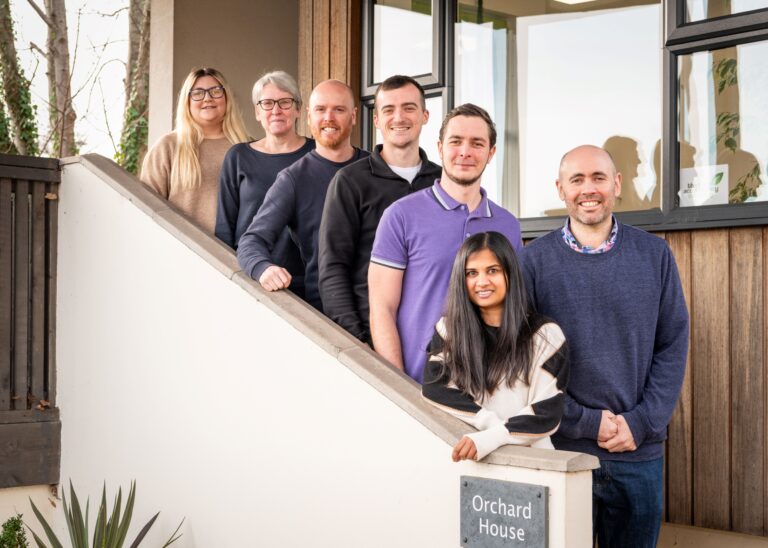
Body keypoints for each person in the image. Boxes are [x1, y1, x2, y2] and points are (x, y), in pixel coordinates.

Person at [520, 145, 689, 548]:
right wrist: (584, 422)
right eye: (576, 180)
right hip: (562, 450)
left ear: (616, 184)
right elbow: (522, 360)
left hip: (638, 452)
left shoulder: (655, 255)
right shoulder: (532, 262)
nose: (588, 189)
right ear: (560, 189)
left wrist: (642, 422)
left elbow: (672, 344)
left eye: (598, 178)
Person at [369, 104, 522, 383]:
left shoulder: (508, 225)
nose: (465, 151)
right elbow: (382, 309)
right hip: (418, 385)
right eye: (456, 141)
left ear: (491, 153)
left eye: (477, 143)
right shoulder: (401, 216)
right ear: (440, 148)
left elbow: (513, 308)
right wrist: (398, 387)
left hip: (488, 388)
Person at [422, 232, 568, 462]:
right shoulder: (448, 330)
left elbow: (546, 411)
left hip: (535, 463)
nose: (482, 282)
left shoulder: (546, 335)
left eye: (492, 270)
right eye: (471, 273)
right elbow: (435, 389)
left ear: (510, 273)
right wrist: (489, 424)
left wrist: (493, 437)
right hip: (471, 460)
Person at [318, 75, 441, 344]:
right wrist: (359, 343)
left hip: (437, 342)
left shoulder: (443, 182)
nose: (399, 117)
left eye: (409, 108)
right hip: (372, 339)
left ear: (425, 115)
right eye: (388, 110)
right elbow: (333, 269)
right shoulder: (350, 182)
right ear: (376, 120)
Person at [237, 80, 369, 311]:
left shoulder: (376, 169)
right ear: (308, 116)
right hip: (326, 312)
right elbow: (251, 241)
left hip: (383, 306)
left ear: (354, 115)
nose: (329, 118)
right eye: (320, 109)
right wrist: (263, 268)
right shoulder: (293, 180)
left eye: (339, 109)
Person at [216, 71, 314, 297]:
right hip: (251, 279)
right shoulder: (238, 157)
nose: (276, 110)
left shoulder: (317, 154)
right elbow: (224, 229)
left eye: (285, 102)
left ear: (298, 109)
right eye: (267, 103)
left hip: (308, 283)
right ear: (257, 112)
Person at [141, 67, 248, 232]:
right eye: (198, 93)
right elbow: (147, 208)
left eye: (216, 91)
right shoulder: (167, 147)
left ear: (227, 98)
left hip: (237, 248)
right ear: (187, 102)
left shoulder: (249, 148)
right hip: (181, 246)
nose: (207, 98)